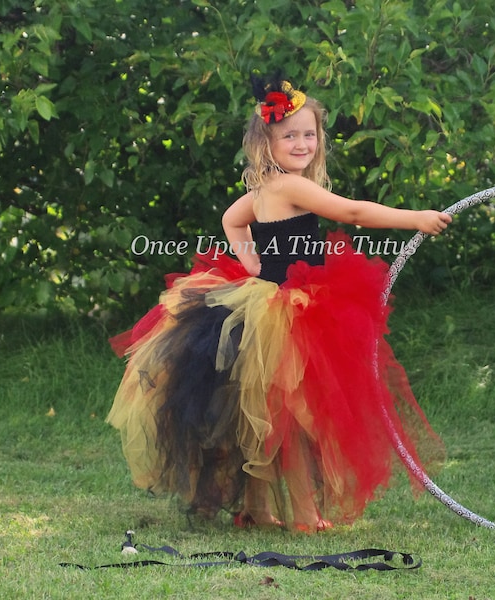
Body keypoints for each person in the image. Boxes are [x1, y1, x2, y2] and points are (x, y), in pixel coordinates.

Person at [107, 74, 452, 533]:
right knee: (293, 421)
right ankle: (305, 516)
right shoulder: (291, 186)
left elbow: (232, 221)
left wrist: (251, 262)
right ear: (265, 144)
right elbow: (350, 212)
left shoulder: (263, 190)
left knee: (263, 421)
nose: (302, 143)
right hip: (287, 315)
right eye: (290, 135)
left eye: (309, 134)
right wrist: (416, 219)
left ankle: (256, 508)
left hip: (264, 306)